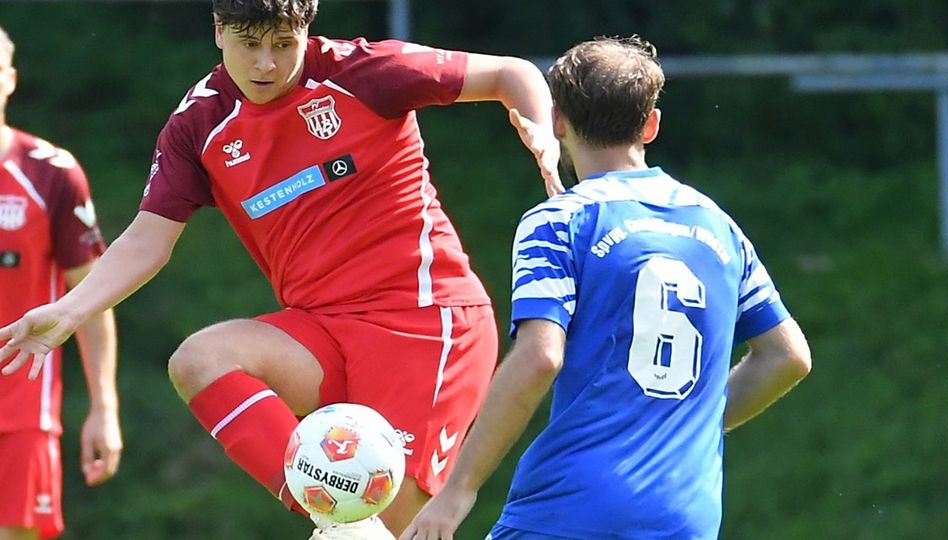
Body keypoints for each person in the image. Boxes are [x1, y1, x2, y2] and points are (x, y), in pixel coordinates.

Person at [0, 2, 560, 539]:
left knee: (395, 528)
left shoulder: (362, 72)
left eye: (282, 44)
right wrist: (69, 311)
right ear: (218, 31)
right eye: (248, 44)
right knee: (203, 360)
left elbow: (511, 72)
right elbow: (148, 237)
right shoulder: (199, 123)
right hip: (322, 331)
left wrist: (543, 135)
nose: (265, 63)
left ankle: (354, 525)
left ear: (307, 30)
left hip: (425, 325)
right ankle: (339, 519)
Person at [399, 36, 813, 540]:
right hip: (685, 514)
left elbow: (540, 358)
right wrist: (685, 427)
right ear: (652, 124)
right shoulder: (718, 226)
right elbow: (788, 356)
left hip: (571, 507)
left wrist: (456, 492)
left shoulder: (561, 220)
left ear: (557, 121)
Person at [0, 25, 122, 540]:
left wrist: (104, 408)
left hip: (20, 412)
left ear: (8, 79)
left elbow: (92, 298)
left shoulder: (51, 172)